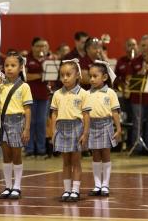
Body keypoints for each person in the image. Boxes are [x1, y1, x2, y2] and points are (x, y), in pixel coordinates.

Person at [50, 59, 91, 202]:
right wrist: (53, 130)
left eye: (68, 74)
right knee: (65, 161)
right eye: (62, 75)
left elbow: (86, 115)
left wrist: (85, 133)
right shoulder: (57, 94)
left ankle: (75, 190)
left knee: (76, 161)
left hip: (77, 127)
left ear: (78, 75)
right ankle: (67, 190)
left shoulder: (84, 94)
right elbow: (54, 113)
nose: (65, 78)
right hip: (61, 128)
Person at [0, 53, 32, 200]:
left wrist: (26, 128)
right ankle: (7, 186)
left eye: (13, 65)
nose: (9, 68)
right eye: (6, 66)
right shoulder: (0, 85)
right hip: (3, 121)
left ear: (20, 68)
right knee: (6, 155)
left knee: (16, 154)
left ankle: (17, 186)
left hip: (17, 121)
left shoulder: (24, 86)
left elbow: (28, 109)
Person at [87, 61, 121, 197]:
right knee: (95, 155)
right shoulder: (87, 93)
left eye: (95, 76)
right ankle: (97, 185)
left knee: (106, 154)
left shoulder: (111, 93)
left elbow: (115, 112)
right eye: (90, 76)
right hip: (92, 126)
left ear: (105, 77)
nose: (92, 79)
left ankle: (105, 185)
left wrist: (118, 128)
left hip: (106, 125)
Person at [25, 37, 50, 157]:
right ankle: (29, 149)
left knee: (41, 122)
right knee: (30, 122)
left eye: (44, 45)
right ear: (33, 47)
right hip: (29, 96)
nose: (42, 48)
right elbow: (25, 76)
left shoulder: (49, 59)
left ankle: (41, 149)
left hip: (44, 95)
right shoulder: (27, 59)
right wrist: (40, 75)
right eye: (39, 45)